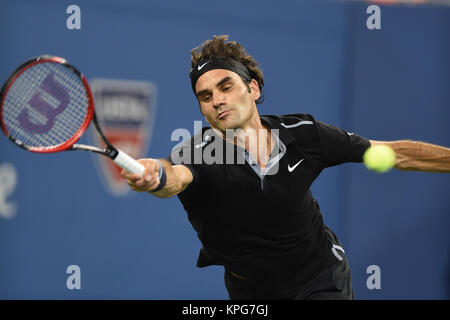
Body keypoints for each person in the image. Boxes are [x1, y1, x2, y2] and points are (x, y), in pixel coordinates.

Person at [121, 35, 450, 300]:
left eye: (225, 86)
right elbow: (174, 177)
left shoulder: (305, 135)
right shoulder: (198, 152)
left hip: (320, 276)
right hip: (250, 291)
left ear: (253, 88)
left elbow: (395, 154)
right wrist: (155, 175)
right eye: (205, 96)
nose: (216, 100)